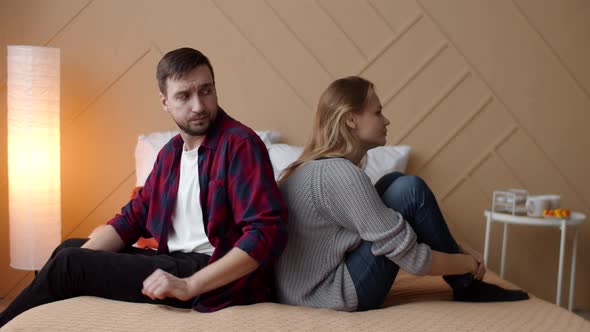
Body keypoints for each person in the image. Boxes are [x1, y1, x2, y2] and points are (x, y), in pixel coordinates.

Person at [0, 47, 288, 327]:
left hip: (212, 273)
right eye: (184, 96)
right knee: (70, 250)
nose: (198, 106)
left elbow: (265, 234)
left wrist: (188, 285)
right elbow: (133, 218)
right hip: (174, 262)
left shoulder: (239, 145)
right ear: (164, 101)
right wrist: (85, 259)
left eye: (206, 91)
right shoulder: (171, 154)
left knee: (70, 264)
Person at [275, 76, 528, 311]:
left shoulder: (315, 169)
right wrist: (466, 264)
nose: (386, 121)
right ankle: (467, 284)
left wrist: (460, 249)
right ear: (351, 119)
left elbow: (378, 226)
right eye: (377, 112)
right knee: (409, 190)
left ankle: (466, 283)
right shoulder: (339, 174)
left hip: (302, 293)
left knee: (393, 182)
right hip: (329, 297)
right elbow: (412, 259)